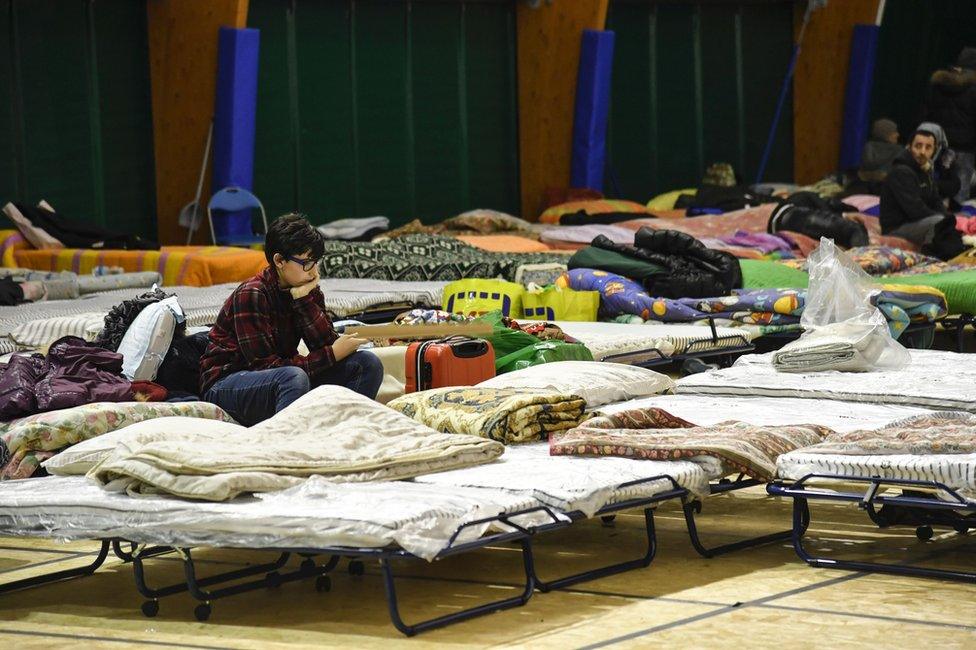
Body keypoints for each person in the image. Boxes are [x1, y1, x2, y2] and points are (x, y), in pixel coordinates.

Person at [199, 214, 384, 425]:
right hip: (228, 383)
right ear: (279, 261)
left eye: (316, 262)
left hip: (281, 378)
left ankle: (339, 431)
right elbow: (265, 367)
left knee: (367, 364)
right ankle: (289, 442)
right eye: (306, 263)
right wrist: (331, 354)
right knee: (293, 378)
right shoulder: (252, 293)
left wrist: (304, 300)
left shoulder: (305, 288)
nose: (314, 271)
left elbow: (323, 344)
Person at [879, 128, 966, 260]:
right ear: (909, 147)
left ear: (934, 150)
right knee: (937, 222)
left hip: (917, 222)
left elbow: (936, 201)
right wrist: (944, 219)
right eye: (918, 146)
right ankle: (930, 259)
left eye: (928, 147)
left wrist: (949, 217)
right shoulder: (901, 172)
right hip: (897, 227)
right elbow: (915, 210)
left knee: (955, 218)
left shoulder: (925, 171)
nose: (922, 152)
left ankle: (956, 255)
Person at [923, 46, 976, 203]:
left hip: (938, 147)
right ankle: (955, 225)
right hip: (964, 150)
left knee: (932, 189)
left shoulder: (938, 85)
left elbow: (925, 114)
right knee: (959, 195)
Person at [854, 118, 903, 192]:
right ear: (886, 134)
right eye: (894, 132)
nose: (898, 134)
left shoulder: (868, 147)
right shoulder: (899, 151)